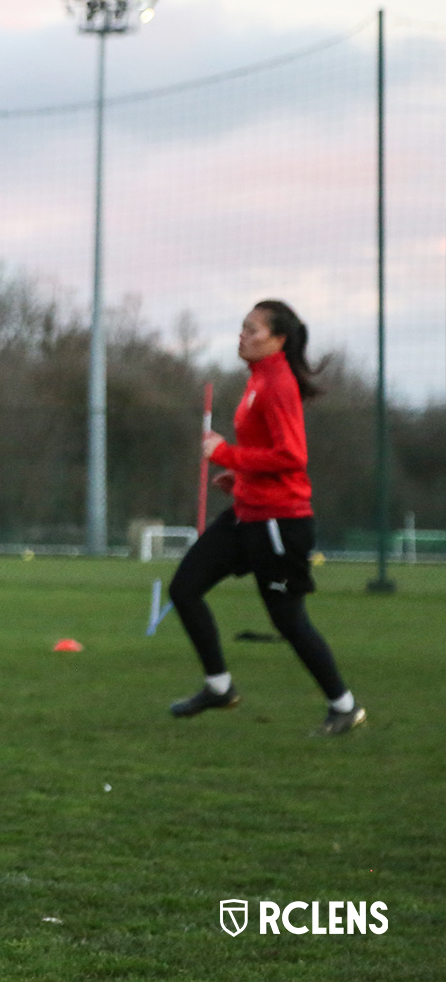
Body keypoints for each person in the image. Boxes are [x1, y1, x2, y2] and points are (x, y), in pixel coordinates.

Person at [168, 300, 364, 736]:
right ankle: (219, 687)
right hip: (247, 512)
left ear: (278, 340)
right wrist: (238, 475)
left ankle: (344, 706)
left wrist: (225, 453)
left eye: (252, 330)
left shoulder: (277, 383)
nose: (242, 335)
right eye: (242, 327)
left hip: (279, 521)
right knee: (184, 588)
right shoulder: (258, 379)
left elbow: (292, 455)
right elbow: (268, 454)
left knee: (288, 619)